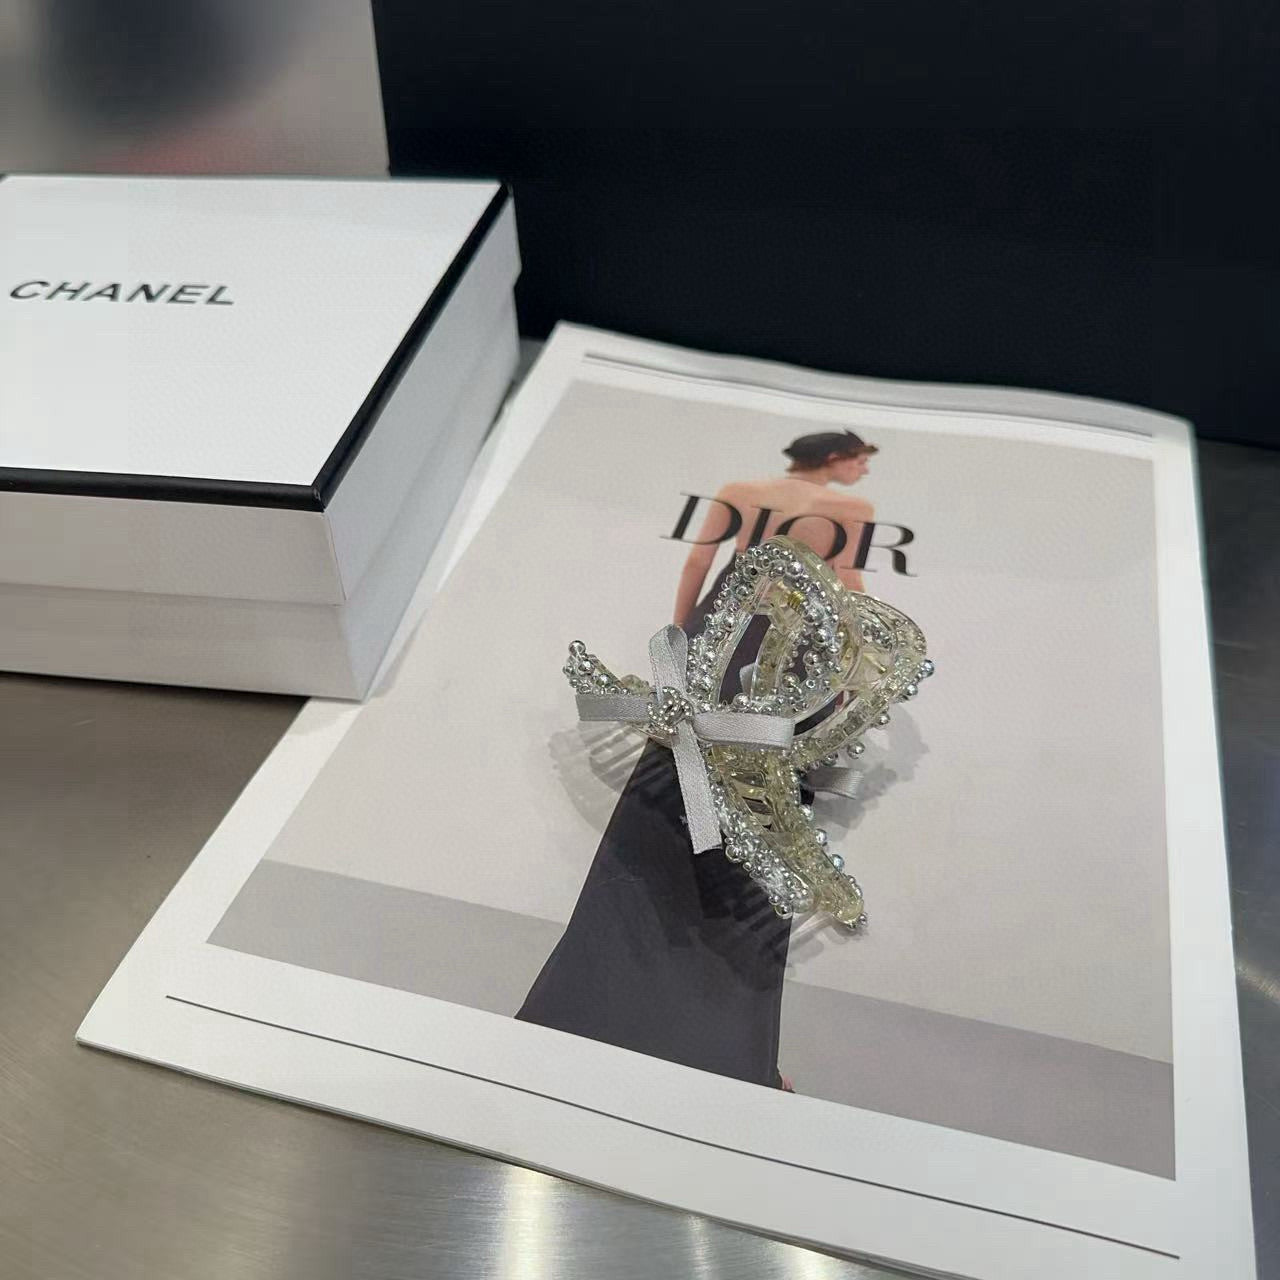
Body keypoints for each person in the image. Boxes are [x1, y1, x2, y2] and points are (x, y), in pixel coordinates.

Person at [515, 429, 879, 1090]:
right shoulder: (853, 510)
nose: (863, 470)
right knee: (764, 790)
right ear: (835, 457)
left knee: (676, 764)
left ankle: (581, 1008)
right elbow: (847, 589)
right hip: (793, 640)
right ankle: (724, 1044)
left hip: (721, 625)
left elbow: (699, 565)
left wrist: (687, 636)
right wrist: (852, 675)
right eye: (860, 459)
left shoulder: (741, 491)